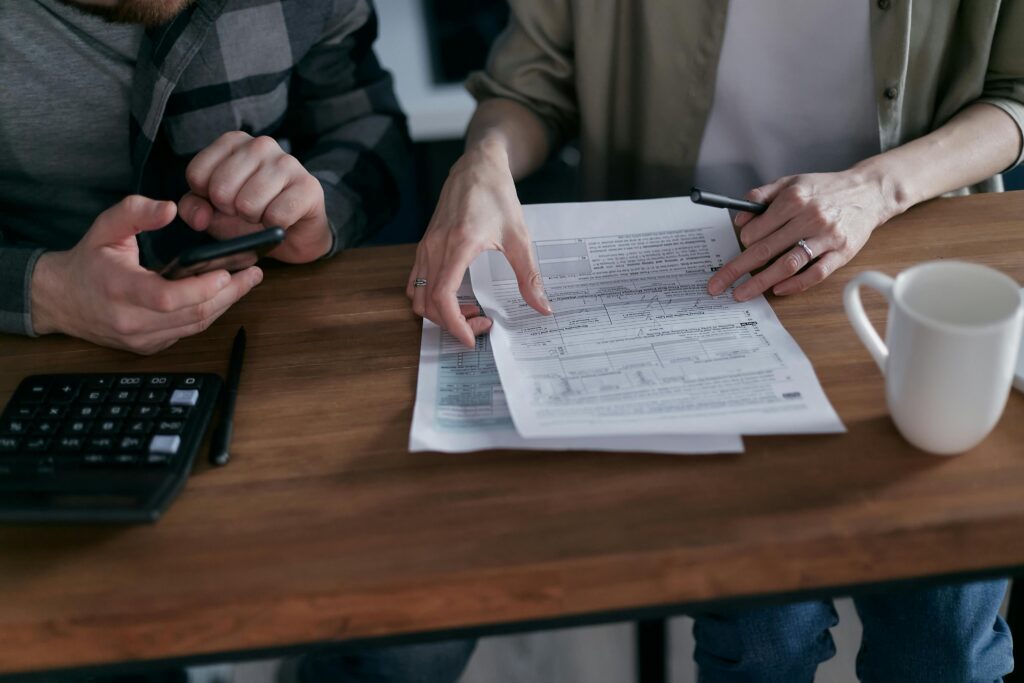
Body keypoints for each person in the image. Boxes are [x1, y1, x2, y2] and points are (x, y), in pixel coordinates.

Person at [409, 1, 1022, 681]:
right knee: (762, 639)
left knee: (945, 645)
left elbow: (1016, 94)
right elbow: (531, 85)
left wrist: (874, 188)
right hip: (686, 279)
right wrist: (483, 158)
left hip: (914, 269)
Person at [0, 0, 473, 681]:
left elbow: (367, 122)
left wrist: (320, 210)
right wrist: (41, 287)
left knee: (418, 631)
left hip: (269, 350)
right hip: (34, 369)